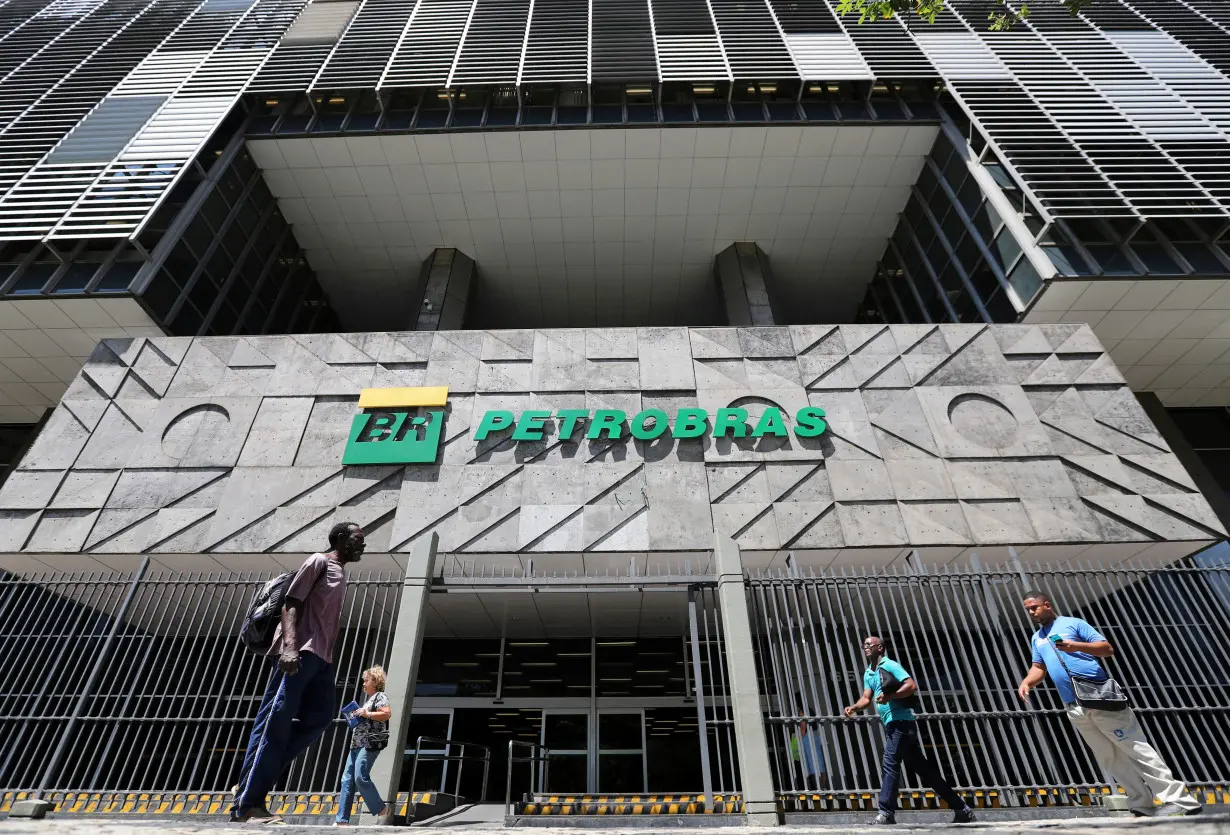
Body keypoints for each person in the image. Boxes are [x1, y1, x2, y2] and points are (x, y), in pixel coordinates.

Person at [1017, 591, 1200, 818]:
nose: (1032, 612)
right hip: (1074, 705)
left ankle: (1180, 800)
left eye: (1035, 607)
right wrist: (1027, 682)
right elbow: (1039, 667)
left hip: (1099, 696)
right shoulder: (1037, 637)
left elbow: (1107, 649)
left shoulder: (1073, 624)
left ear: (1047, 604)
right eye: (1028, 609)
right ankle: (1141, 803)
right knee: (1108, 756)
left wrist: (1075, 646)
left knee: (1135, 748)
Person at [231, 522, 367, 823]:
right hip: (299, 652)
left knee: (320, 718)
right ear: (341, 539)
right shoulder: (319, 560)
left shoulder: (341, 573)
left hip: (322, 658)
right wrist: (290, 647)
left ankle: (254, 775)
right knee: (274, 723)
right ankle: (248, 804)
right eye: (358, 539)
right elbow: (291, 604)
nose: (363, 544)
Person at [843, 636, 975, 826]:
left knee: (890, 762)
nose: (865, 648)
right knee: (925, 771)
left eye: (868, 645)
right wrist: (854, 708)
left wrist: (891, 696)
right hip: (892, 725)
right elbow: (866, 698)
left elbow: (911, 685)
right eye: (863, 645)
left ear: (880, 648)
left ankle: (886, 813)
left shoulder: (890, 665)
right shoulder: (868, 673)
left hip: (902, 724)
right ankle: (962, 809)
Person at [336, 665, 392, 826]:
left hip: (368, 744)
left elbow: (386, 714)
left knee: (360, 777)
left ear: (375, 681)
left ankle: (381, 808)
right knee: (347, 780)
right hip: (356, 745)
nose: (363, 684)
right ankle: (342, 820)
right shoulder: (369, 699)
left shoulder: (380, 696)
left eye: (366, 681)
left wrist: (367, 713)